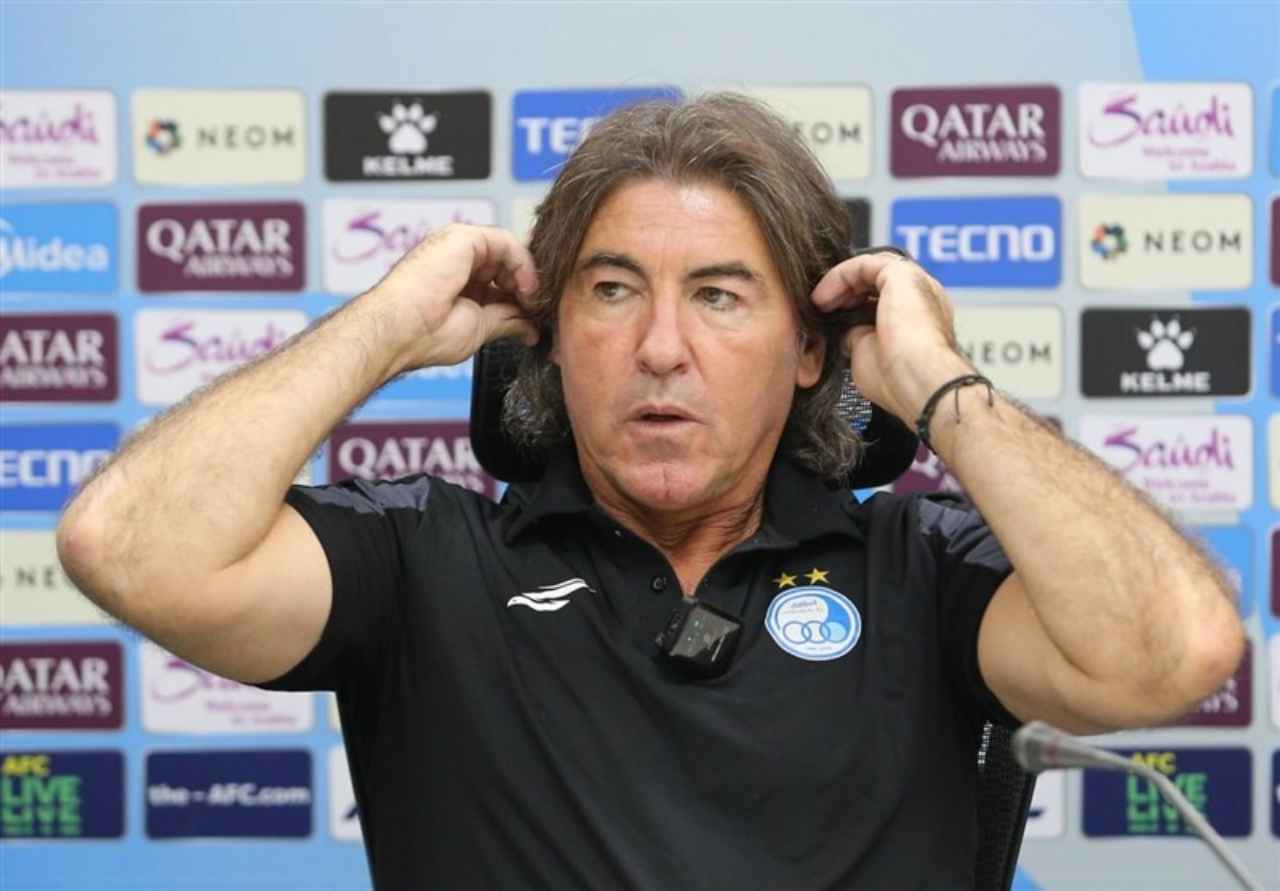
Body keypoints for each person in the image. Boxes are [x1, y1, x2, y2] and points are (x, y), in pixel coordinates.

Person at [57, 93, 1243, 890]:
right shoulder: (424, 556)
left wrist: (937, 383)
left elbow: (1170, 654)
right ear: (547, 335)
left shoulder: (921, 567)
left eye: (719, 296)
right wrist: (384, 326)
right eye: (612, 291)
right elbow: (129, 547)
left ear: (810, 348)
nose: (660, 348)